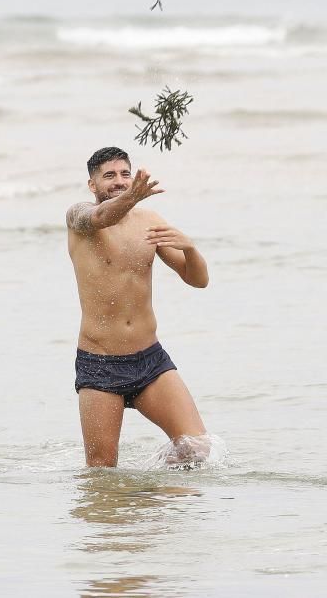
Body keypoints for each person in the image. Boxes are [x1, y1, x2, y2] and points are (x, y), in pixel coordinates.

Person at [67, 146, 210, 467]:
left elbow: (197, 280)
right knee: (102, 471)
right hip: (100, 364)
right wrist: (132, 197)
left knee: (198, 450)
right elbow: (103, 216)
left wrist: (189, 247)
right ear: (92, 185)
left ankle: (152, 499)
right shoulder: (78, 217)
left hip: (150, 361)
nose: (118, 181)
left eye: (124, 174)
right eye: (109, 176)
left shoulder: (150, 221)